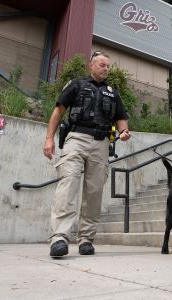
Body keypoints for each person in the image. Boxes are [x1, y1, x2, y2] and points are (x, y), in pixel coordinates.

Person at [43, 51, 131, 257]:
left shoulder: (112, 92)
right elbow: (58, 111)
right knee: (68, 182)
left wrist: (124, 132)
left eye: (108, 66)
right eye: (101, 65)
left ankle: (86, 239)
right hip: (76, 138)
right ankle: (59, 238)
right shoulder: (76, 84)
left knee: (94, 192)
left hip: (101, 144)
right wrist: (49, 139)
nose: (106, 68)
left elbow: (121, 118)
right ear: (90, 66)